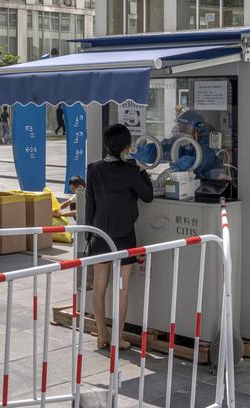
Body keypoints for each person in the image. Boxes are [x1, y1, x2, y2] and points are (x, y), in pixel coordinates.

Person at [85, 124, 154, 350]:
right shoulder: (130, 171)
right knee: (122, 287)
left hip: (99, 234)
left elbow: (90, 205)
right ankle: (118, 336)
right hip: (124, 235)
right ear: (126, 147)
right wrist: (143, 171)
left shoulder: (93, 169)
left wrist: (89, 235)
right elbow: (148, 196)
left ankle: (101, 334)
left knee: (99, 285)